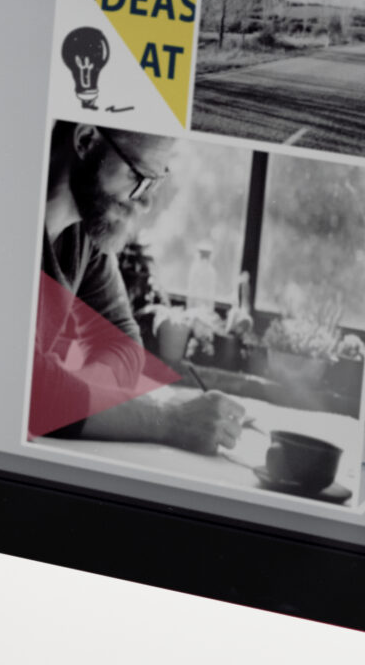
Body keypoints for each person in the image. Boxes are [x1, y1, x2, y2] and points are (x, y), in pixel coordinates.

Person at [38, 121, 246, 454]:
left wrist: (69, 396)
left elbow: (120, 341)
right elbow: (26, 390)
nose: (147, 203)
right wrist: (171, 419)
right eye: (139, 178)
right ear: (86, 140)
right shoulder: (4, 223)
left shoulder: (85, 235)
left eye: (157, 182)